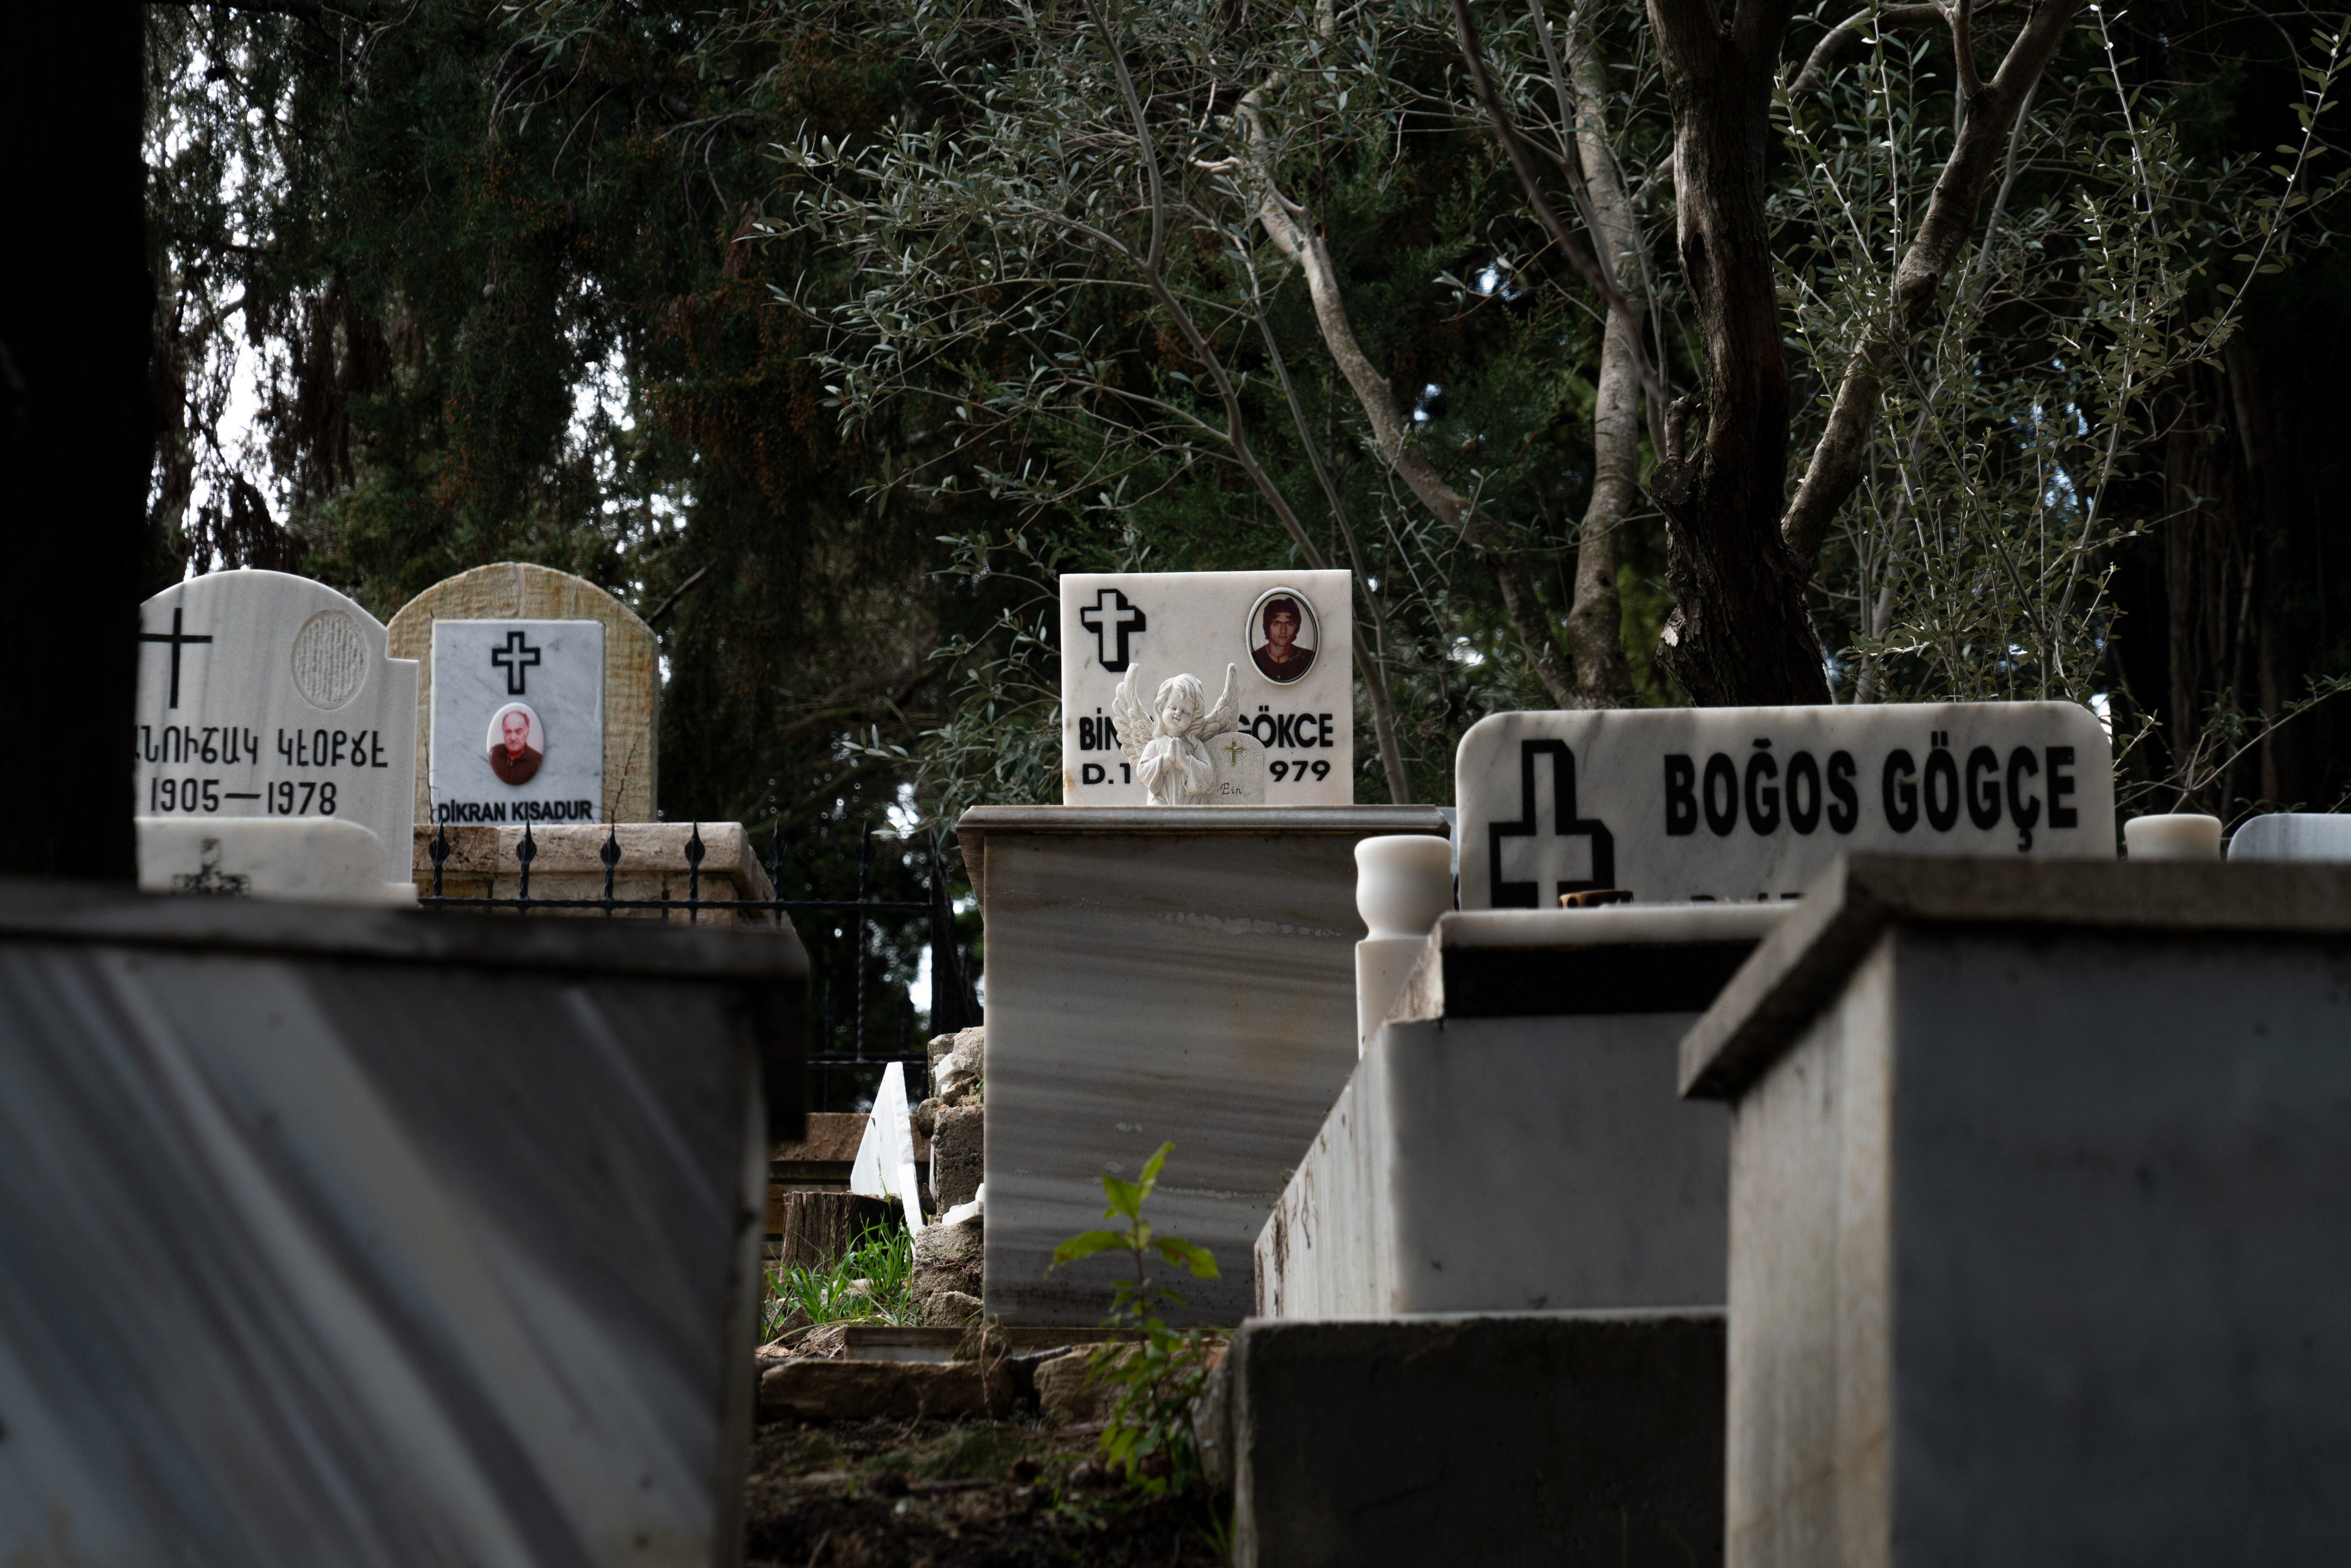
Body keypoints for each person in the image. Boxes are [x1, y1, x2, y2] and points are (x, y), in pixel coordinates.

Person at [1251, 595, 1315, 683]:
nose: (1283, 631)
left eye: (1289, 624)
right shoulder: (1256, 658)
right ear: (1267, 627)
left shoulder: (1307, 658)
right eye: (1277, 624)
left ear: (1297, 627)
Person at [488, 706, 543, 785]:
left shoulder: (536, 760)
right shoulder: (494, 753)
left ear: (526, 733)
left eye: (518, 732)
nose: (513, 738)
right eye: (508, 732)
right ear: (503, 732)